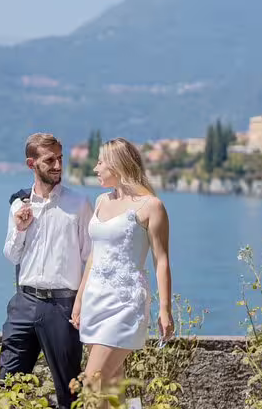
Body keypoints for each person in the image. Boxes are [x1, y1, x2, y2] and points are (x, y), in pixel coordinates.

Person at [70, 137, 174, 405]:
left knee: (92, 382)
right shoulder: (102, 200)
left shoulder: (152, 206)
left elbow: (161, 260)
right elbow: (95, 255)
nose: (95, 168)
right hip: (96, 301)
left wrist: (165, 309)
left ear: (117, 165)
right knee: (113, 388)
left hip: (125, 305)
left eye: (100, 161)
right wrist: (80, 299)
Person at [0, 133, 93, 409]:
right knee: (7, 388)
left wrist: (80, 304)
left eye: (60, 159)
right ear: (32, 163)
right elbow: (11, 255)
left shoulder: (79, 204)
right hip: (23, 303)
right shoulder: (19, 205)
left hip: (62, 305)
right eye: (49, 160)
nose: (57, 165)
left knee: (70, 391)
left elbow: (91, 259)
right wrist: (19, 228)